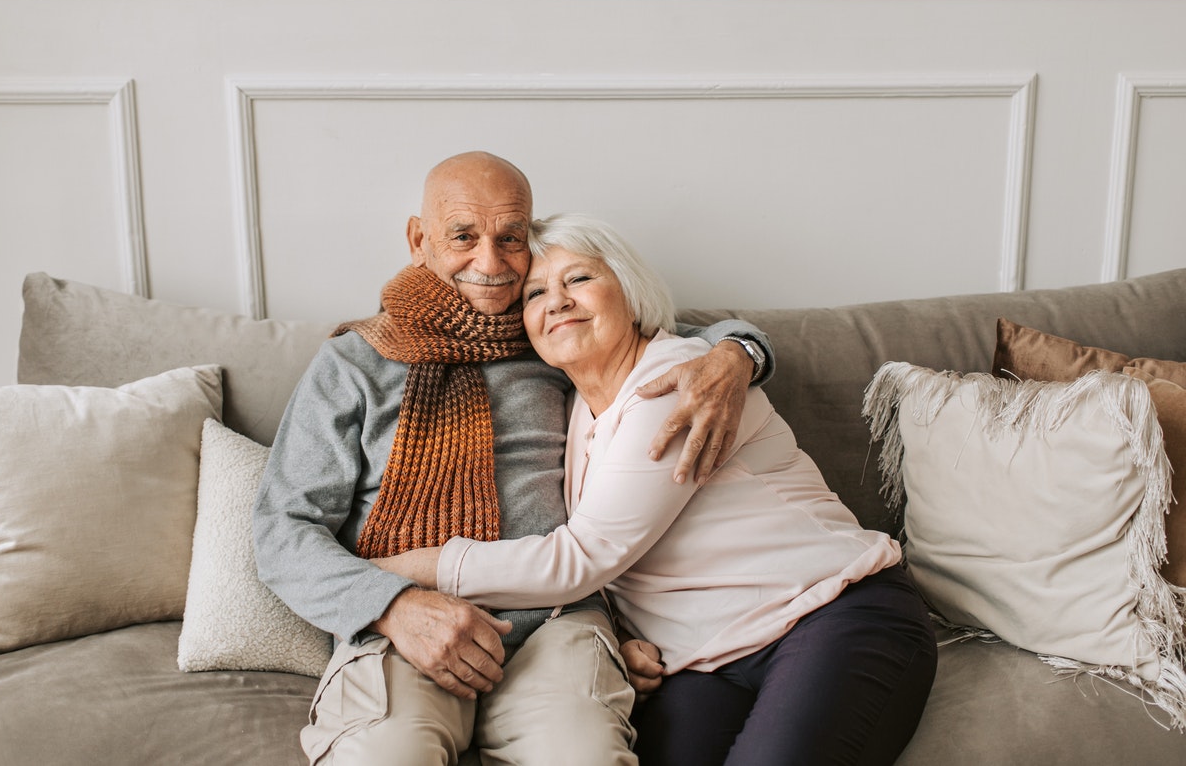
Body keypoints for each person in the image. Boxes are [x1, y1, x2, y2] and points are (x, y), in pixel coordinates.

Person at [253, 152, 773, 765]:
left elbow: (675, 334)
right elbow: (282, 529)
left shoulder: (555, 331)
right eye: (463, 237)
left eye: (510, 238)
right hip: (404, 626)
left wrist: (740, 353)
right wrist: (391, 607)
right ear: (419, 240)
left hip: (556, 621)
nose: (491, 263)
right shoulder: (354, 363)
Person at [375, 213, 939, 766]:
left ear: (631, 291)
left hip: (832, 614)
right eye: (535, 293)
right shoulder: (569, 409)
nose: (557, 301)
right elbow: (627, 551)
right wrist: (622, 636)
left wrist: (394, 571)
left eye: (579, 278)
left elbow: (583, 557)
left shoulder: (679, 381)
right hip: (707, 662)